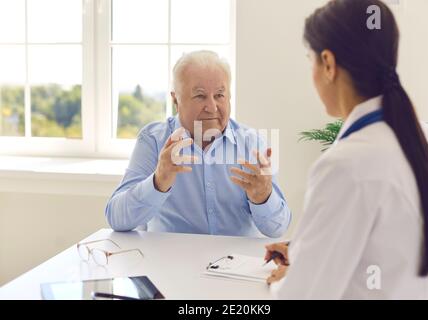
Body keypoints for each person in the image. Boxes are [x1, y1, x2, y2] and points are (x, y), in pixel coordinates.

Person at [265, 0, 428, 299]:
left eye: (310, 59)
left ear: (328, 63)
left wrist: (283, 282)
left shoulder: (346, 164)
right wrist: (305, 251)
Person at [105, 50, 291, 237]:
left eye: (219, 95)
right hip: (170, 261)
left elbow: (278, 229)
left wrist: (263, 197)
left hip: (237, 263)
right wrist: (158, 181)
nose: (211, 107)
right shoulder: (153, 140)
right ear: (175, 99)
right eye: (200, 96)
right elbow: (117, 219)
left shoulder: (253, 143)